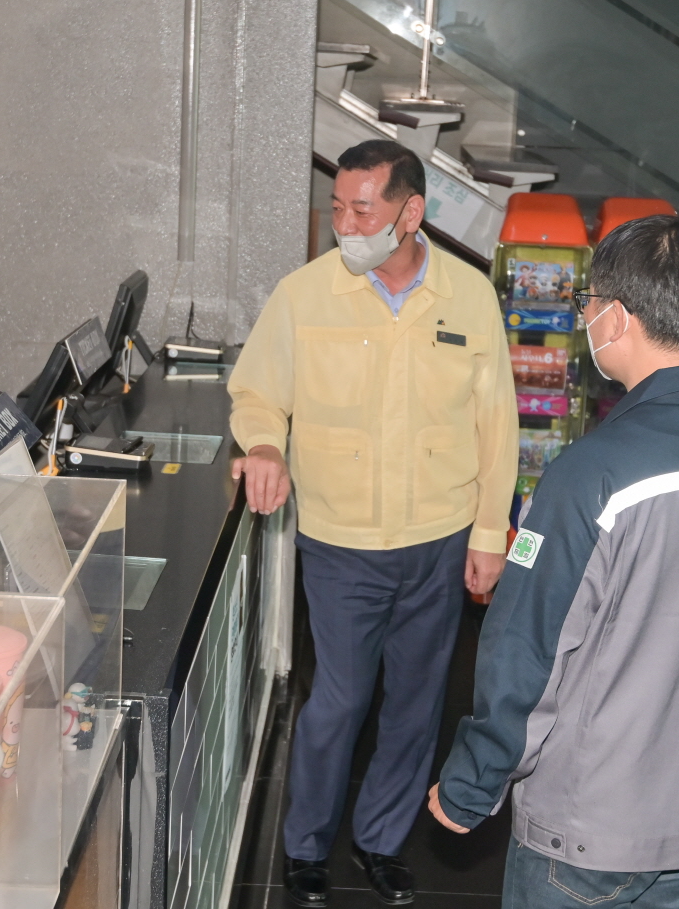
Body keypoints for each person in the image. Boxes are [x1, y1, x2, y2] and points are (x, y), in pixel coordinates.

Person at [428, 214, 679, 909]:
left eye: (590, 301)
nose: (586, 317)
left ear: (618, 316)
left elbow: (528, 652)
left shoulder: (589, 474)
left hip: (587, 829)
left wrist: (473, 781)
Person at [228, 138, 517, 907]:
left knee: (418, 701)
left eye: (362, 210)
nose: (346, 225)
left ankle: (382, 840)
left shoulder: (468, 296)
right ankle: (306, 844)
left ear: (410, 212)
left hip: (440, 535)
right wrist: (264, 443)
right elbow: (257, 392)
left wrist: (490, 532)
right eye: (338, 208)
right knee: (340, 699)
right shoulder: (305, 294)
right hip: (341, 540)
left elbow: (497, 424)